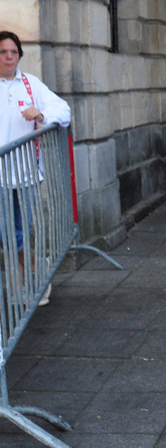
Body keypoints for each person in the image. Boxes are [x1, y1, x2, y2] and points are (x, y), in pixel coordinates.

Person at [0, 31, 71, 307]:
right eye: (3, 52)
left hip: (27, 174)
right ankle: (32, 275)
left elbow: (62, 110)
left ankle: (31, 281)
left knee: (23, 229)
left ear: (19, 55)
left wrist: (42, 115)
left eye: (13, 52)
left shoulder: (30, 84)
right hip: (1, 179)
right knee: (8, 232)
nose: (9, 57)